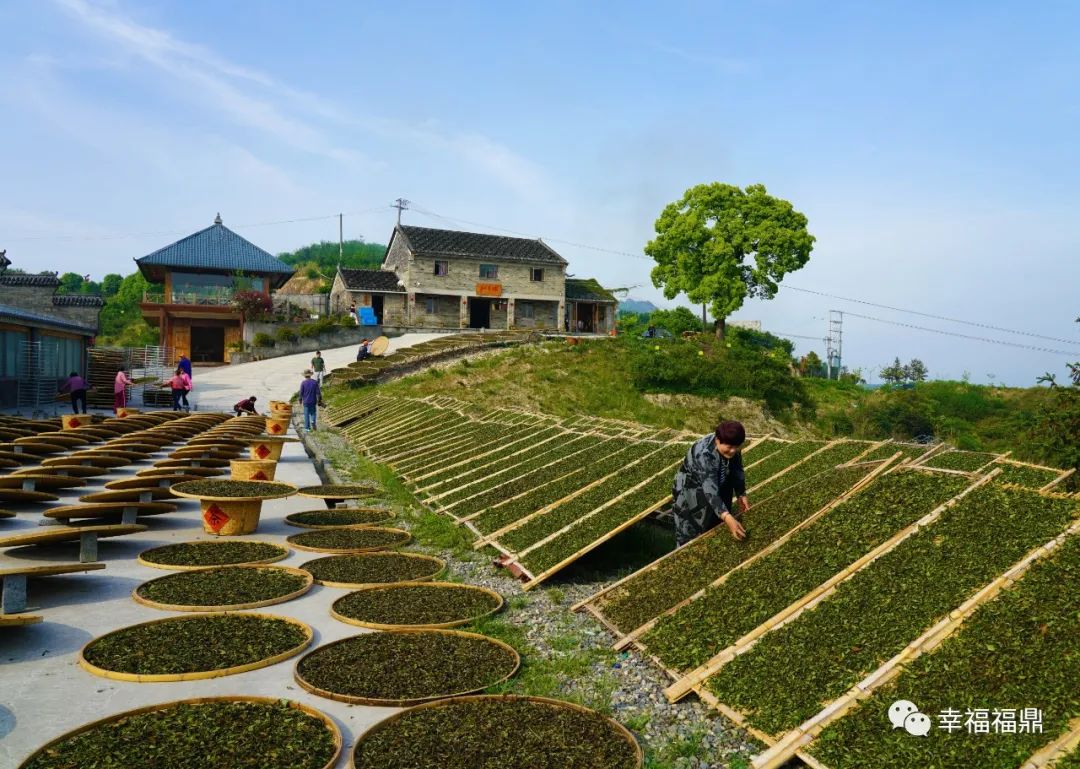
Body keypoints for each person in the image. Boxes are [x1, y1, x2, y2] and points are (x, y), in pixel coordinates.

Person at [671, 420, 750, 547]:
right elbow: (710, 492)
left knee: (716, 520)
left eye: (736, 447)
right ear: (717, 440)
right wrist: (728, 518)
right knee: (691, 531)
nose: (733, 451)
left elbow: (737, 468)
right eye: (729, 447)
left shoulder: (732, 444)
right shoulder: (704, 455)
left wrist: (741, 494)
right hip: (692, 490)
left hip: (718, 481)